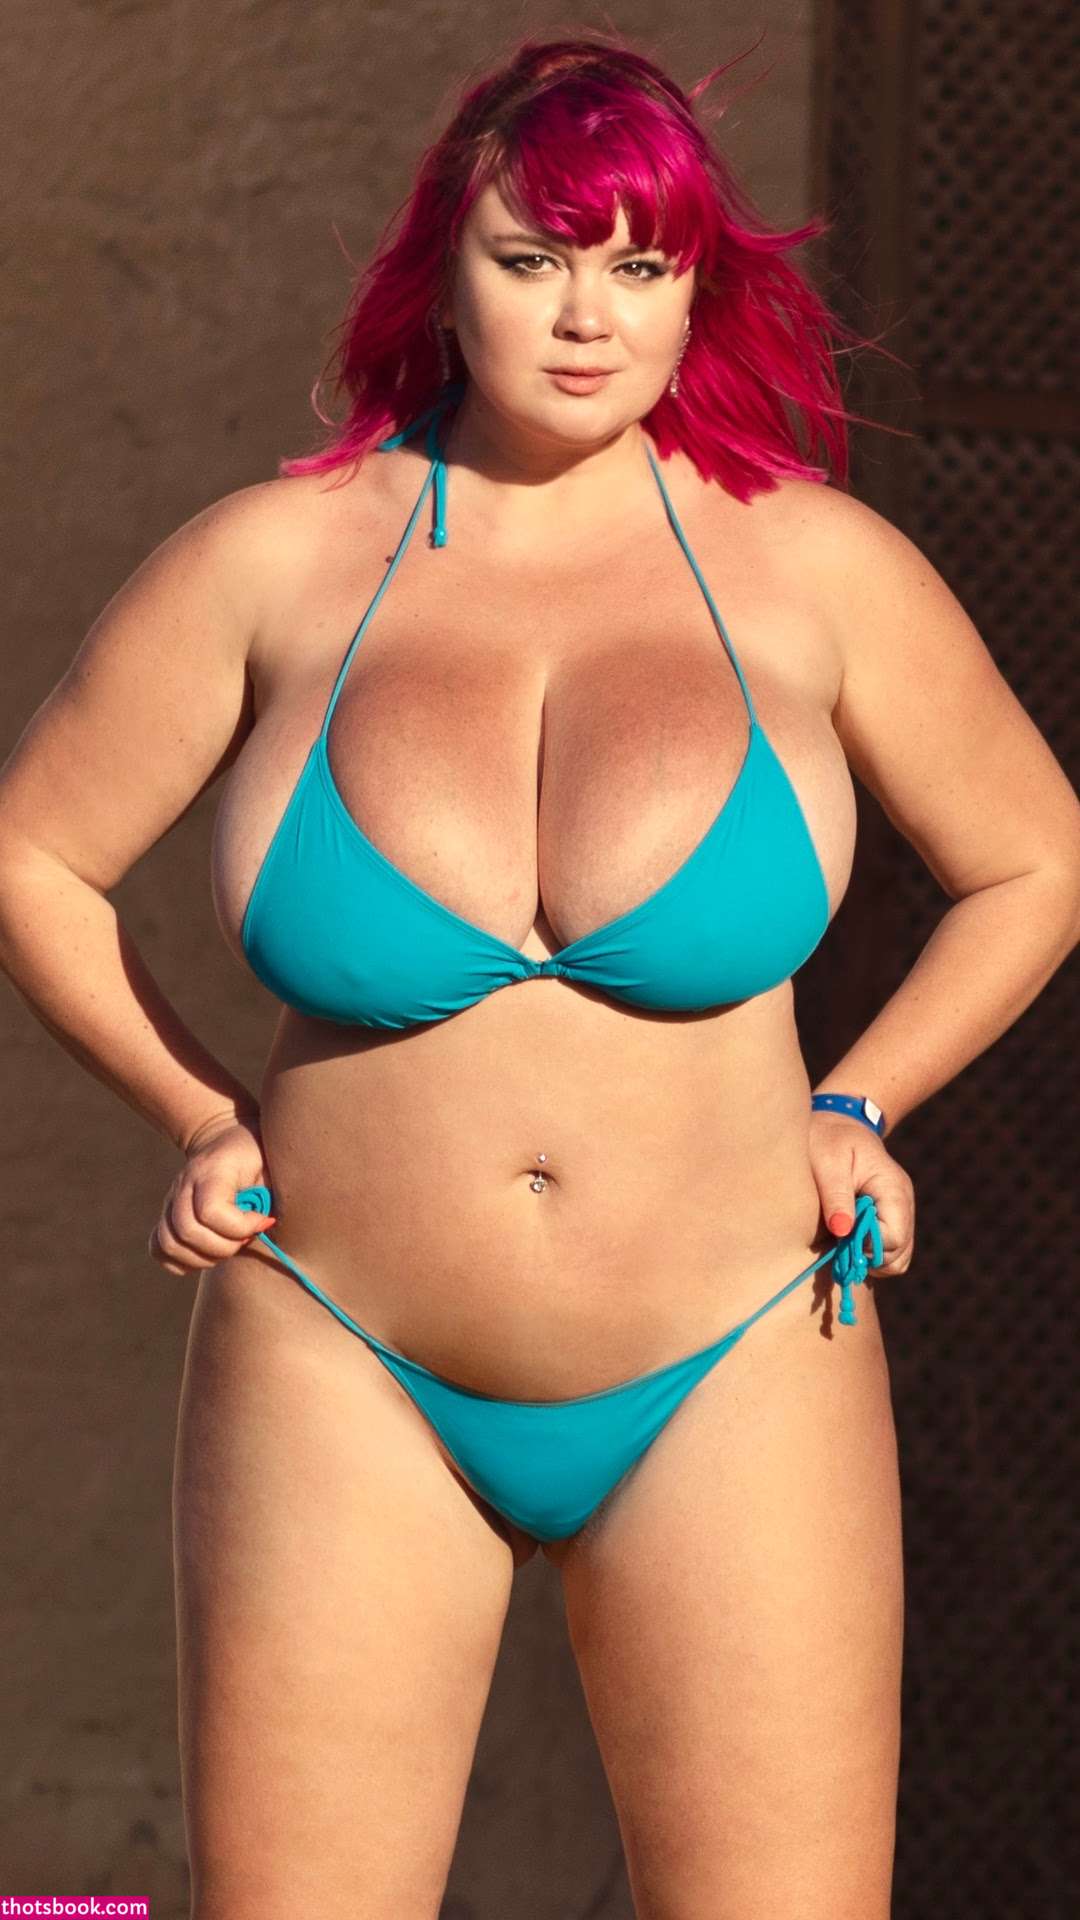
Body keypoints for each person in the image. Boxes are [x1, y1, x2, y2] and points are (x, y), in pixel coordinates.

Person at [2, 28, 1078, 1920]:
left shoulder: (813, 572)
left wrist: (862, 1097)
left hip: (742, 1348)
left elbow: (1034, 860)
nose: (589, 318)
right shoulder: (276, 562)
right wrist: (194, 1111)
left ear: (696, 292)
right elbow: (35, 855)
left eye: (642, 267)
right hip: (337, 1346)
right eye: (534, 259)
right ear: (445, 273)